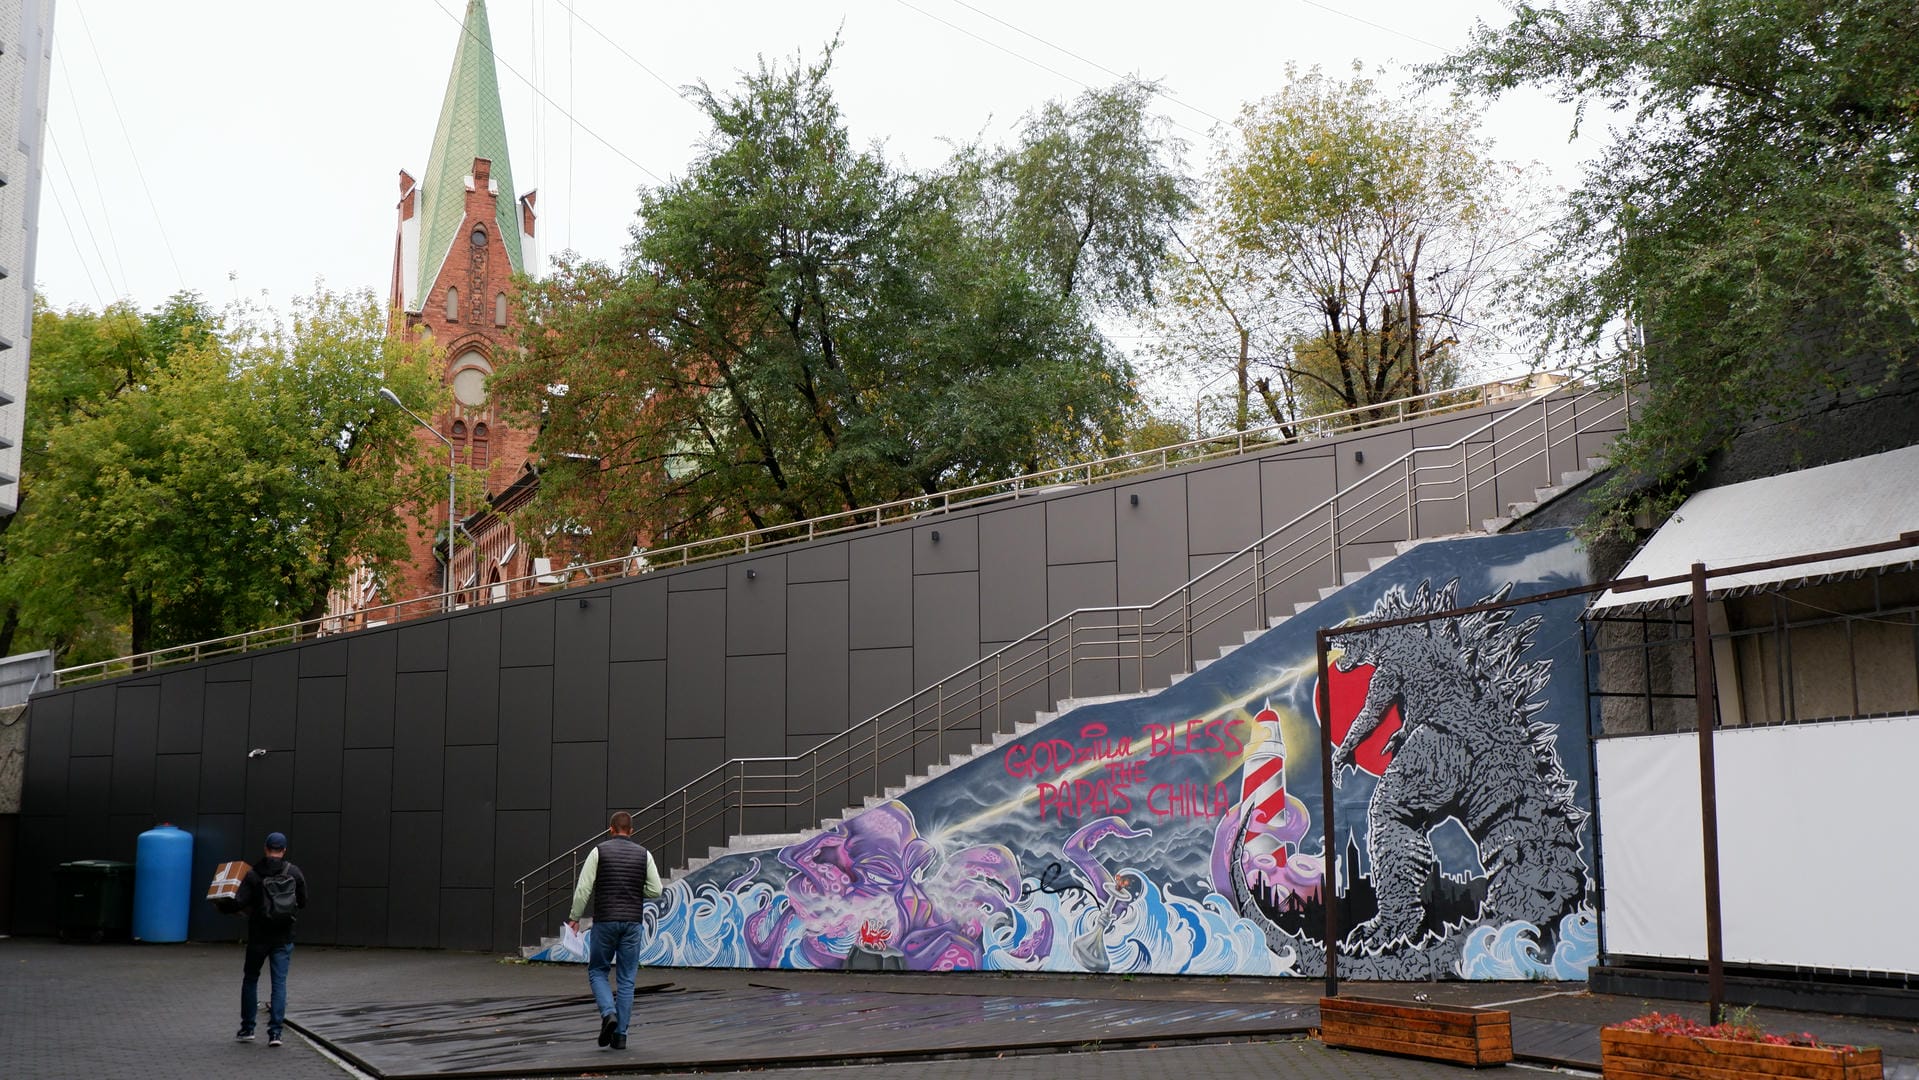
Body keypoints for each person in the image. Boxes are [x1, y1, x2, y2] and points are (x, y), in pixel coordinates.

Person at [567, 811, 661, 1051]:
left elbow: (583, 889)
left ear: (610, 829)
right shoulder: (645, 854)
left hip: (606, 921)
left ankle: (608, 1013)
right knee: (627, 979)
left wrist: (574, 918)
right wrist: (634, 890)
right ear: (631, 831)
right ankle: (620, 1037)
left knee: (598, 971)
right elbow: (656, 890)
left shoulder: (598, 851)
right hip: (632, 923)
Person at [229, 831, 308, 1047]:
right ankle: (275, 1034)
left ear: (265, 848)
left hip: (258, 937)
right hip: (283, 937)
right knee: (279, 983)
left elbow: (237, 902)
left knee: (251, 978)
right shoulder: (294, 872)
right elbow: (302, 901)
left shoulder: (253, 874)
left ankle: (247, 1029)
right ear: (283, 850)